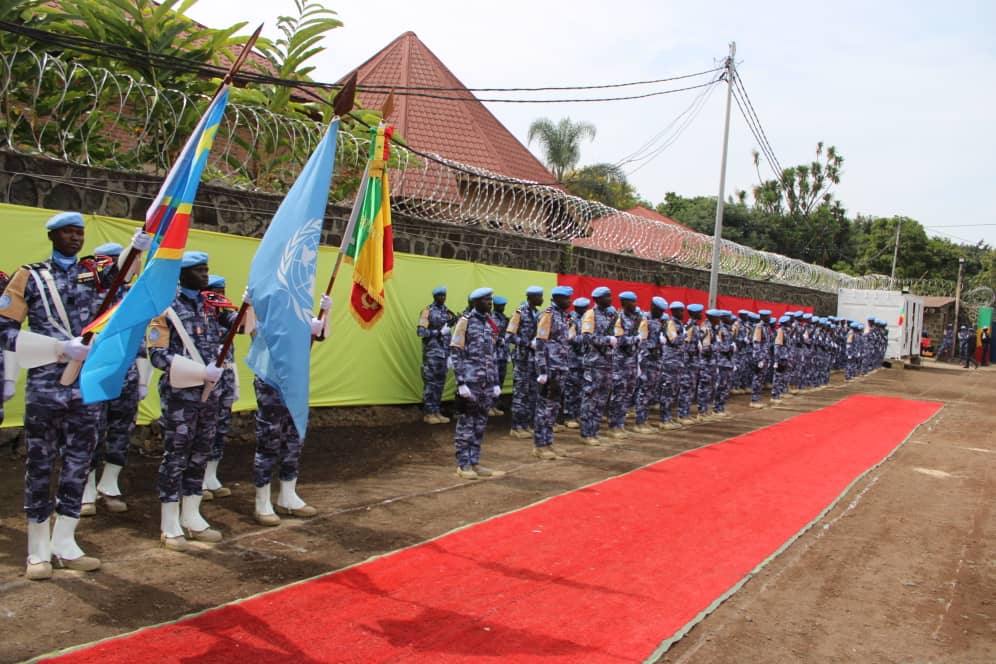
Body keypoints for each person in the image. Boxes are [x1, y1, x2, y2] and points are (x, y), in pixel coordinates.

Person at [0, 212, 148, 580]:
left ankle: (65, 540)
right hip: (47, 383)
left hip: (87, 385)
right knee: (40, 464)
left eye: (80, 232)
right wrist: (58, 347)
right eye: (68, 232)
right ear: (52, 235)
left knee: (80, 461)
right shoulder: (30, 275)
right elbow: (5, 329)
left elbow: (126, 281)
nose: (75, 238)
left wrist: (136, 248)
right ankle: (37, 549)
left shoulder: (96, 274)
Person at [147, 251, 238, 551]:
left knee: (201, 452)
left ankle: (193, 514)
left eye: (206, 269)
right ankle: (169, 522)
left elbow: (241, 326)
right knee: (176, 455)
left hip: (210, 394)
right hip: (180, 395)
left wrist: (251, 303)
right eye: (198, 270)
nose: (205, 275)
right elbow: (158, 355)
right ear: (182, 274)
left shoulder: (213, 305)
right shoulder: (164, 307)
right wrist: (200, 370)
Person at [82, 241, 151, 516]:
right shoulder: (87, 291)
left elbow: (140, 342)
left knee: (121, 430)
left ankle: (109, 485)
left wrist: (143, 380)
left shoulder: (131, 296)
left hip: (127, 375)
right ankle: (85, 488)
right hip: (96, 373)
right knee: (89, 432)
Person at [252, 294, 332, 526]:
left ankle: (288, 494)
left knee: (294, 438)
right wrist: (302, 327)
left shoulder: (299, 311)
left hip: (294, 381)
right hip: (271, 380)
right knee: (269, 440)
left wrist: (326, 314)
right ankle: (262, 501)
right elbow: (262, 337)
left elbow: (322, 335)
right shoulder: (264, 309)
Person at [450, 287, 503, 479]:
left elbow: (493, 355)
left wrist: (496, 381)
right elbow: (456, 352)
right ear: (475, 302)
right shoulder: (465, 322)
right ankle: (463, 465)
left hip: (487, 383)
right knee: (466, 424)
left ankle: (475, 461)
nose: (490, 303)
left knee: (480, 424)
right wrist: (460, 382)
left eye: (490, 299)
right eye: (486, 300)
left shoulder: (490, 324)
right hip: (470, 383)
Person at [201, 274, 238, 501]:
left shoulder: (226, 315)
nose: (220, 297)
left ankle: (211, 474)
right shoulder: (202, 316)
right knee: (203, 427)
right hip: (203, 376)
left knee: (221, 425)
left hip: (225, 375)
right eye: (215, 291)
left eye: (222, 291)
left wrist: (235, 382)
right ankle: (198, 478)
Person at [532, 285, 573, 459]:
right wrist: (542, 370)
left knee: (554, 408)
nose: (568, 302)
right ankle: (540, 446)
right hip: (549, 369)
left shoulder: (562, 316)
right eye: (566, 299)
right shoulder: (547, 315)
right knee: (544, 408)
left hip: (560, 368)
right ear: (556, 299)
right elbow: (540, 343)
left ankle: (548, 443)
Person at [579, 286, 616, 445]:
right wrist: (607, 340)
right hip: (594, 363)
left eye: (610, 296)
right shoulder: (590, 314)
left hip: (607, 362)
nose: (610, 299)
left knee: (602, 400)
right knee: (590, 399)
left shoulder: (609, 315)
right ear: (597, 299)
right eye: (607, 297)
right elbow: (586, 337)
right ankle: (586, 433)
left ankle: (595, 430)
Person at [507, 285, 544, 438]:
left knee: (532, 393)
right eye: (539, 296)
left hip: (534, 360)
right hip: (522, 359)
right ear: (531, 297)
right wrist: (528, 343)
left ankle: (525, 424)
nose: (541, 299)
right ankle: (516, 427)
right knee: (520, 393)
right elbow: (509, 336)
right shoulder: (519, 312)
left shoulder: (538, 313)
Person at [607, 291, 643, 438]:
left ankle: (620, 424)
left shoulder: (636, 318)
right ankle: (613, 425)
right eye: (631, 302)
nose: (634, 304)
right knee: (618, 394)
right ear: (624, 303)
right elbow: (619, 340)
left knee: (628, 394)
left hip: (632, 362)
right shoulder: (618, 318)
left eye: (635, 301)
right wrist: (635, 339)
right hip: (620, 363)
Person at [416, 286, 452, 424]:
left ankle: (436, 411)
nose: (442, 298)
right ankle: (428, 413)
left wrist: (449, 354)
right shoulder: (427, 311)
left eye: (444, 295)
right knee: (430, 383)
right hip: (431, 354)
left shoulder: (448, 312)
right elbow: (421, 332)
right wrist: (438, 333)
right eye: (440, 296)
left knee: (440, 384)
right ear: (434, 297)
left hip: (443, 354)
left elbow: (448, 335)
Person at [632, 296, 666, 434]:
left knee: (650, 392)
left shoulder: (657, 322)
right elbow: (641, 341)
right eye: (659, 310)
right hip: (646, 360)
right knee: (644, 391)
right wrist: (655, 344)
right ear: (653, 307)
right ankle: (639, 422)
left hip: (655, 360)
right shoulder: (644, 320)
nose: (661, 313)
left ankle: (644, 420)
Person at [562, 297, 589, 429]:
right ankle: (569, 416)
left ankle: (577, 414)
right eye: (583, 308)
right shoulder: (571, 319)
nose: (586, 310)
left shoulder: (587, 318)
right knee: (570, 390)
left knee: (580, 390)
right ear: (577, 308)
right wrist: (586, 338)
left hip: (584, 359)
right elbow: (570, 338)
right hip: (572, 359)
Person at [489, 295, 510, 416]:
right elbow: (491, 335)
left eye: (504, 305)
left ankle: (494, 404)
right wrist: (499, 340)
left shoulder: (503, 318)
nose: (503, 307)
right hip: (494, 354)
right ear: (495, 305)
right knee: (492, 381)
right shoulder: (491, 318)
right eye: (501, 305)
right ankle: (488, 406)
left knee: (500, 381)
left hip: (503, 354)